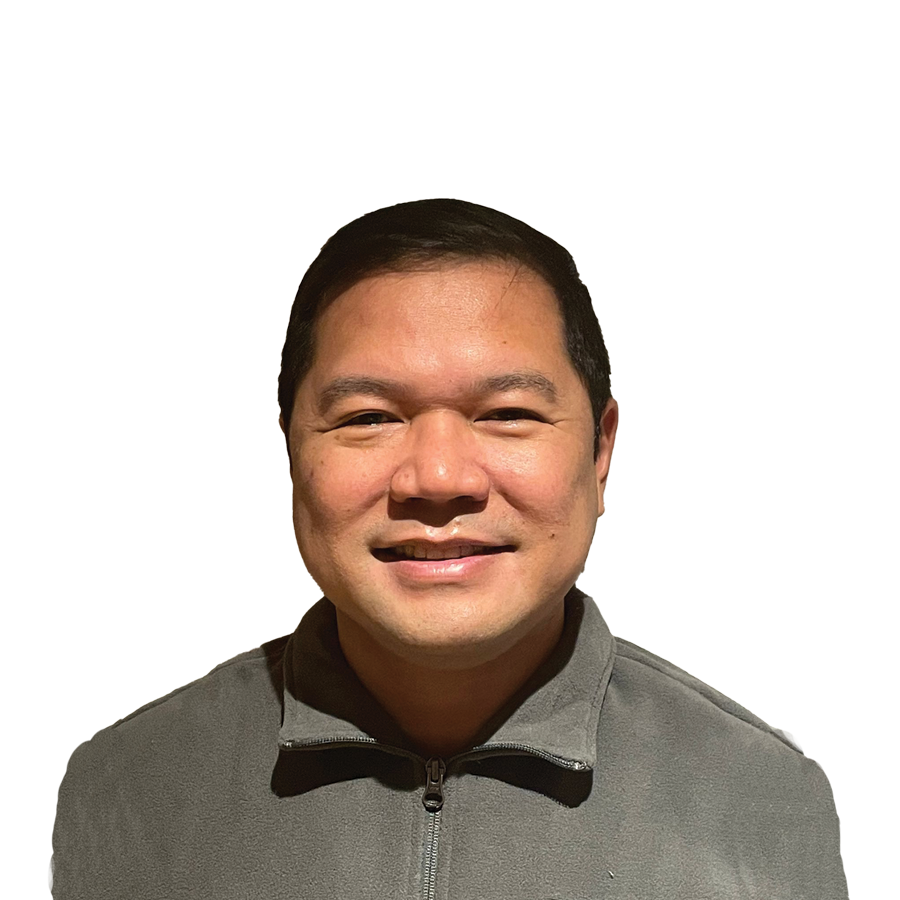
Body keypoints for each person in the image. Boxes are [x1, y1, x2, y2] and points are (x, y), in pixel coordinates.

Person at [51, 198, 847, 899]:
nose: (437, 479)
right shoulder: (99, 810)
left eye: (507, 414)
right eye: (368, 417)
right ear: (291, 452)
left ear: (600, 451)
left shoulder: (787, 821)